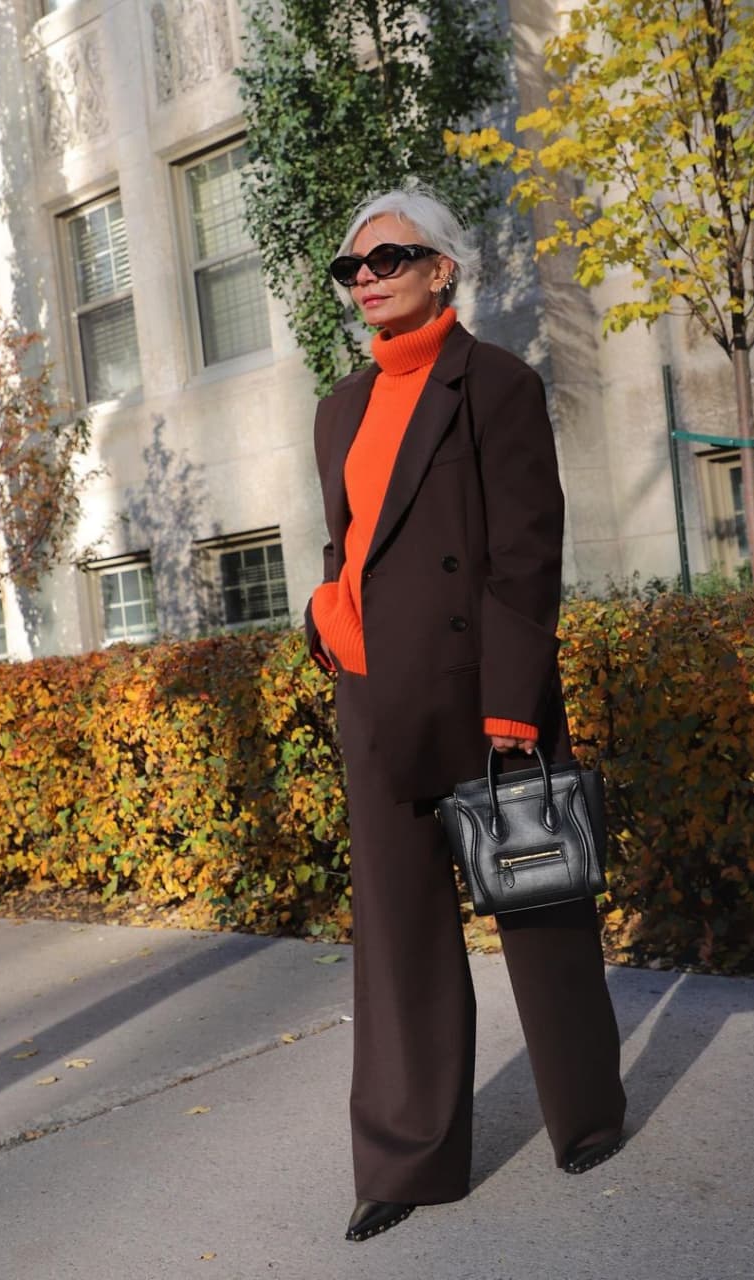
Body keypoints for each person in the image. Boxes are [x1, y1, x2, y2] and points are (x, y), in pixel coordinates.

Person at [304, 184, 626, 1244]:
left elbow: (526, 553)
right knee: (397, 937)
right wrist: (324, 614)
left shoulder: (496, 384)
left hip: (483, 689)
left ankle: (584, 1111)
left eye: (388, 258)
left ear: (442, 267)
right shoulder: (340, 407)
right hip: (377, 697)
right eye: (352, 267)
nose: (366, 278)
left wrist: (512, 703)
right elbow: (347, 541)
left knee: (538, 905)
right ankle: (406, 1158)